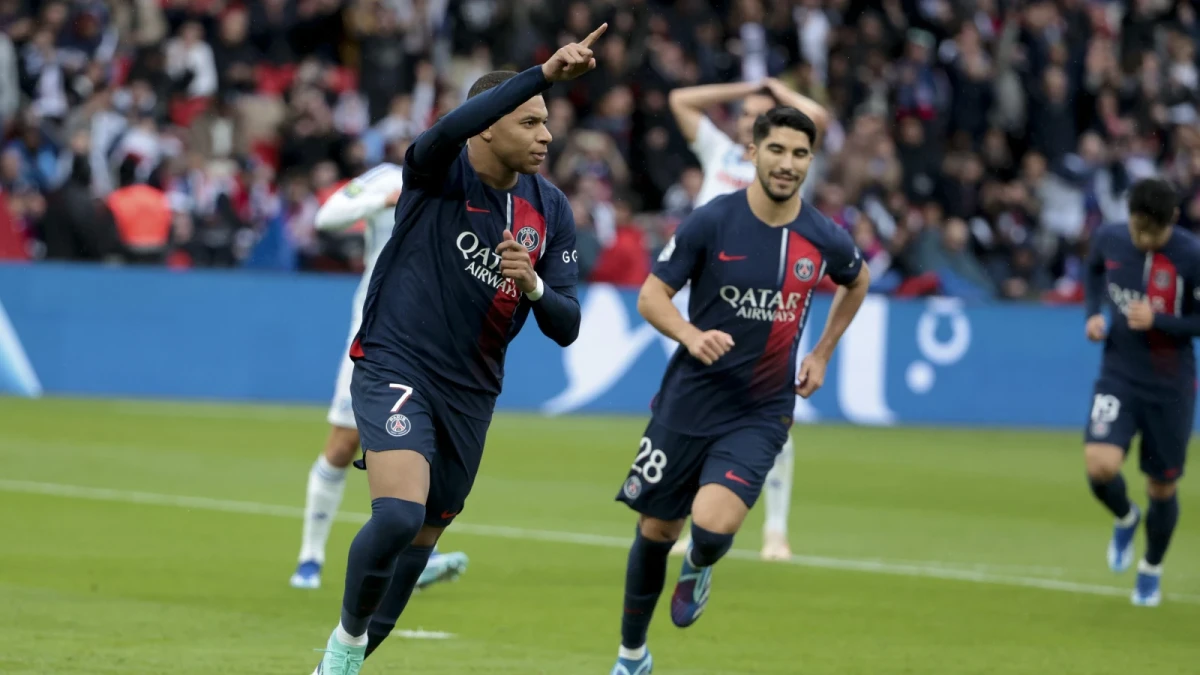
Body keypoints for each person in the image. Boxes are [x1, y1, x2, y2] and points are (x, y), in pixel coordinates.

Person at [309, 25, 604, 675]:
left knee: (419, 540)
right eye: (529, 121)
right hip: (396, 361)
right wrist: (543, 74)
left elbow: (567, 324)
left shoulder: (551, 211)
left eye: (546, 123)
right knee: (397, 515)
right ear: (488, 127)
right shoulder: (437, 170)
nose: (546, 135)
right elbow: (446, 128)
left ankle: (341, 665)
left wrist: (532, 285)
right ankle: (344, 645)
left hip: (471, 393)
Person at [610, 107, 869, 675]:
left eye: (800, 153)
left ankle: (701, 564)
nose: (787, 163)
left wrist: (822, 352)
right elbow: (651, 296)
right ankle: (632, 656)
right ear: (752, 153)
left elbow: (858, 280)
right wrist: (690, 335)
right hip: (689, 400)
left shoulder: (822, 235)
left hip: (761, 409)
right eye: (776, 150)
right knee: (656, 529)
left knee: (712, 525)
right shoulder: (712, 221)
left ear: (811, 161)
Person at [667, 77, 830, 561]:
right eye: (744, 115)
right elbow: (679, 100)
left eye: (760, 117)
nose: (748, 123)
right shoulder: (720, 152)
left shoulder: (785, 166)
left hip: (767, 300)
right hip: (705, 302)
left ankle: (775, 531)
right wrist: (747, 86)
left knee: (768, 414)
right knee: (695, 412)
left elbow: (818, 120)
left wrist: (777, 90)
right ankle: (693, 520)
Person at [289, 162, 468, 594]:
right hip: (374, 336)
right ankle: (310, 556)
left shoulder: (468, 188)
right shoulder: (390, 177)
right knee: (342, 445)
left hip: (432, 342)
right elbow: (327, 217)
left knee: (421, 444)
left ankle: (417, 555)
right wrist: (383, 200)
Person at [1082, 176, 1200, 607]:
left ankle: (1151, 568)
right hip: (1119, 372)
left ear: (1172, 220)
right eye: (1137, 229)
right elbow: (1093, 269)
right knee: (1099, 465)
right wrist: (1093, 314)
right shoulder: (1111, 239)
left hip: (1170, 384)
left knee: (1161, 487)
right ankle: (1126, 516)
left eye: (1152, 232)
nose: (1142, 240)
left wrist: (1160, 321)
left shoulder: (1192, 257)